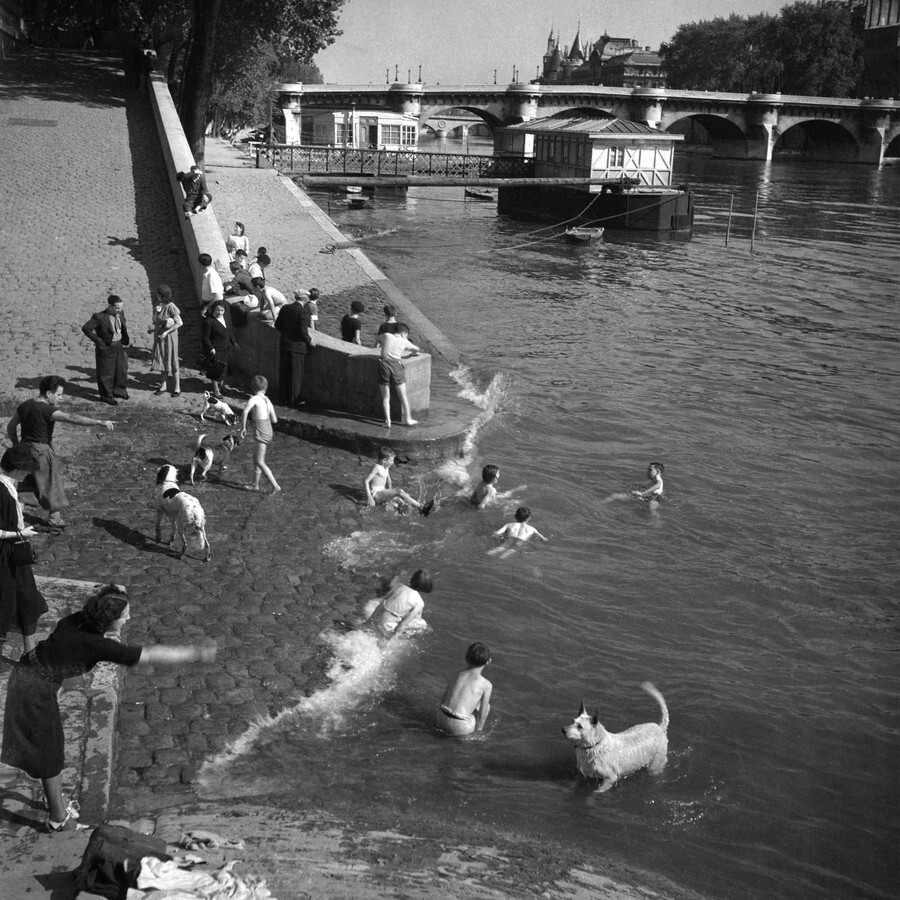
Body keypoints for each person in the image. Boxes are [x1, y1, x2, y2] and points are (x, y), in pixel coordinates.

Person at [0, 583, 216, 832]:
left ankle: (54, 801)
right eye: (124, 616)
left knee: (49, 745)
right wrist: (194, 654)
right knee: (50, 754)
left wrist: (116, 592)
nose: (128, 618)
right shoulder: (98, 645)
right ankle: (58, 819)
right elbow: (149, 655)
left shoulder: (78, 620)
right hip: (33, 690)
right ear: (109, 618)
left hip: (28, 674)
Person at [6, 376, 115, 530]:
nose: (61, 398)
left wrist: (17, 445)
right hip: (41, 453)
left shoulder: (25, 406)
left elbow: (11, 427)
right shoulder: (47, 410)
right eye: (59, 395)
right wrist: (98, 422)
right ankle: (54, 519)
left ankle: (17, 518)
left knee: (26, 484)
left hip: (24, 450)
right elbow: (71, 418)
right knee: (51, 484)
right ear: (49, 393)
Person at [0, 449, 47, 656]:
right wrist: (20, 532)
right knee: (18, 600)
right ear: (16, 469)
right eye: (26, 469)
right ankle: (30, 654)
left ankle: (30, 652)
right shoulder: (1, 491)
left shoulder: (8, 485)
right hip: (6, 557)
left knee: (26, 600)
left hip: (14, 554)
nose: (28, 474)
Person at [81, 294, 130, 405]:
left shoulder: (120, 313)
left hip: (118, 345)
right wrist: (99, 341)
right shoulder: (99, 317)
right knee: (106, 372)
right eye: (117, 307)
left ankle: (119, 390)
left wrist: (124, 338)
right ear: (110, 306)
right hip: (106, 347)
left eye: (120, 307)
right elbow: (86, 328)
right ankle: (106, 396)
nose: (119, 310)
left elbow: (123, 326)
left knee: (121, 369)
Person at [436, 643, 493, 736]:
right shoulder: (486, 685)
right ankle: (473, 736)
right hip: (461, 727)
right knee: (487, 706)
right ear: (488, 661)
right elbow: (482, 715)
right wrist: (479, 732)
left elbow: (442, 700)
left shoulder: (457, 674)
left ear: (466, 658)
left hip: (441, 719)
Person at [240, 375, 281, 494]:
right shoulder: (267, 400)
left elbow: (245, 411)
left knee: (259, 461)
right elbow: (274, 420)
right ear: (266, 387)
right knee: (256, 458)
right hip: (268, 428)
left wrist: (243, 427)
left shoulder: (254, 399)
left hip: (261, 430)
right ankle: (255, 484)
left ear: (252, 387)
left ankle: (275, 485)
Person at [375, 323, 420, 428]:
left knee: (386, 397)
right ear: (404, 333)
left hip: (383, 364)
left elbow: (377, 338)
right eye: (407, 334)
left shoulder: (386, 335)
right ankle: (408, 419)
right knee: (403, 395)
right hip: (396, 365)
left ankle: (388, 422)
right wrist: (412, 353)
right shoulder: (405, 341)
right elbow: (416, 349)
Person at [366, 570, 432, 640]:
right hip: (387, 627)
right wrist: (391, 640)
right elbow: (403, 624)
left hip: (377, 619)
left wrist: (368, 621)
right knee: (422, 624)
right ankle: (399, 637)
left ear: (412, 579)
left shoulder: (398, 586)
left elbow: (382, 604)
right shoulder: (419, 602)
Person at [274, 290, 312, 406]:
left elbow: (277, 325)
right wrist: (309, 340)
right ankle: (293, 399)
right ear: (305, 299)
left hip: (285, 344)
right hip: (298, 347)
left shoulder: (285, 308)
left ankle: (282, 397)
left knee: (284, 371)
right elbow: (303, 331)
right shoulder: (304, 312)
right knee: (296, 374)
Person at [148, 284, 182, 396]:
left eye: (158, 295)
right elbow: (156, 322)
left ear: (162, 295)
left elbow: (179, 323)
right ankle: (163, 385)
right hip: (160, 337)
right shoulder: (159, 306)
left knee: (172, 360)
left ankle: (177, 387)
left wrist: (167, 332)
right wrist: (157, 312)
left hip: (170, 338)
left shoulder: (171, 306)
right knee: (162, 359)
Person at [201, 301, 237, 398]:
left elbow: (229, 332)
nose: (220, 313)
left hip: (225, 348)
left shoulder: (226, 319)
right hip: (216, 349)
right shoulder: (209, 322)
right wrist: (211, 348)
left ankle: (222, 386)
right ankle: (216, 389)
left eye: (222, 310)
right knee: (215, 369)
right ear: (213, 310)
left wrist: (234, 342)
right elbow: (205, 337)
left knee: (224, 369)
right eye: (218, 310)